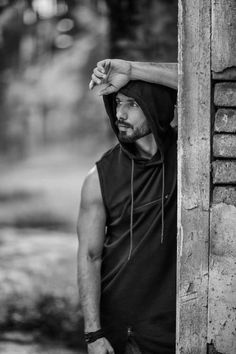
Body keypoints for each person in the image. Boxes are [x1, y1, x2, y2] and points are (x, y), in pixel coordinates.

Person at [77, 59, 178, 354]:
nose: (119, 113)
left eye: (132, 104)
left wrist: (131, 71)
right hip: (125, 329)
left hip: (183, 323)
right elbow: (89, 256)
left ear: (157, 105)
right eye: (117, 102)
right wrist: (93, 334)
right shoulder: (100, 177)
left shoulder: (191, 154)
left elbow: (205, 80)